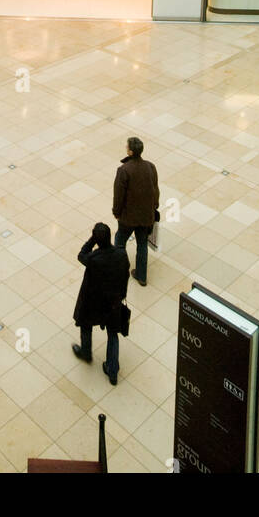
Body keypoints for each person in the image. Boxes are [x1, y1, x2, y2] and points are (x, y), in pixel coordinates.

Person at [72, 222, 130, 386]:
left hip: (94, 301)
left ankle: (86, 352)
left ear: (97, 240)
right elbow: (125, 275)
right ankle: (112, 371)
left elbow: (81, 254)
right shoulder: (121, 254)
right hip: (113, 302)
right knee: (113, 333)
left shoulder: (94, 258)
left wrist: (92, 240)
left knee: (86, 323)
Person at [113, 137, 159, 287]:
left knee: (120, 242)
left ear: (130, 151)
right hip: (146, 216)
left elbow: (119, 195)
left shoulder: (124, 170)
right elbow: (155, 191)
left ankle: (117, 271)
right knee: (142, 244)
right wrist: (154, 207)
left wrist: (116, 212)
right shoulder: (150, 167)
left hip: (128, 217)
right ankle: (141, 276)